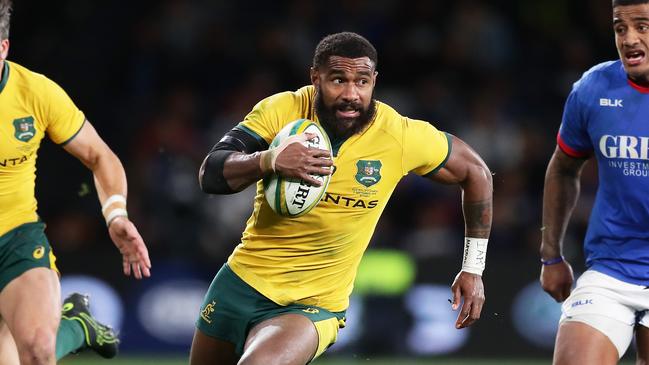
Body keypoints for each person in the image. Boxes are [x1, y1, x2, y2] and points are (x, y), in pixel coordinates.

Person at [192, 31, 493, 365]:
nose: (351, 94)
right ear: (315, 78)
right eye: (338, 80)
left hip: (313, 305)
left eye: (362, 82)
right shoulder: (284, 110)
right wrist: (269, 159)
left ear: (374, 81)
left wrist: (472, 268)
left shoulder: (398, 134)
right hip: (240, 283)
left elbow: (475, 172)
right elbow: (211, 173)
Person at [0, 1, 152, 364]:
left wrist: (116, 215)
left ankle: (76, 327)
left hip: (16, 241)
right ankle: (78, 326)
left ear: (3, 48)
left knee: (37, 350)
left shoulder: (35, 93)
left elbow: (100, 156)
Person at [539, 0, 649, 364]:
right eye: (620, 28)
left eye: (643, 27)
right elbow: (563, 168)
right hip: (610, 270)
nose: (630, 39)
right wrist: (551, 255)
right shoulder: (593, 88)